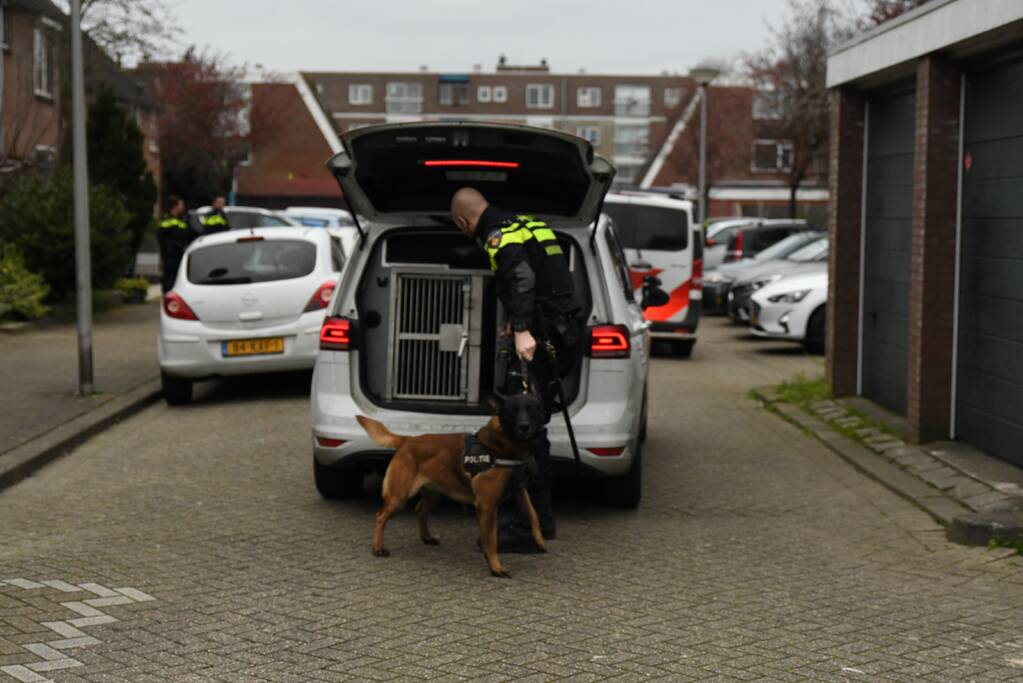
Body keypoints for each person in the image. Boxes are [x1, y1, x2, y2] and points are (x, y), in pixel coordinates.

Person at [451, 187, 584, 553]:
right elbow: (548, 279)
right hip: (562, 330)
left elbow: (523, 278)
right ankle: (539, 520)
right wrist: (521, 322)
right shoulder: (526, 224)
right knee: (532, 423)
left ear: (463, 221)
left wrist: (523, 329)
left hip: (543, 336)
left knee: (526, 428)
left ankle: (531, 526)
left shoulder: (497, 236)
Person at [156, 195, 195, 294]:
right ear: (175, 206)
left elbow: (190, 234)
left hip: (181, 254)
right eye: (180, 205)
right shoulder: (166, 220)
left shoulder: (183, 220)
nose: (183, 207)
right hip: (170, 255)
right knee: (169, 279)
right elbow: (161, 238)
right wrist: (164, 255)